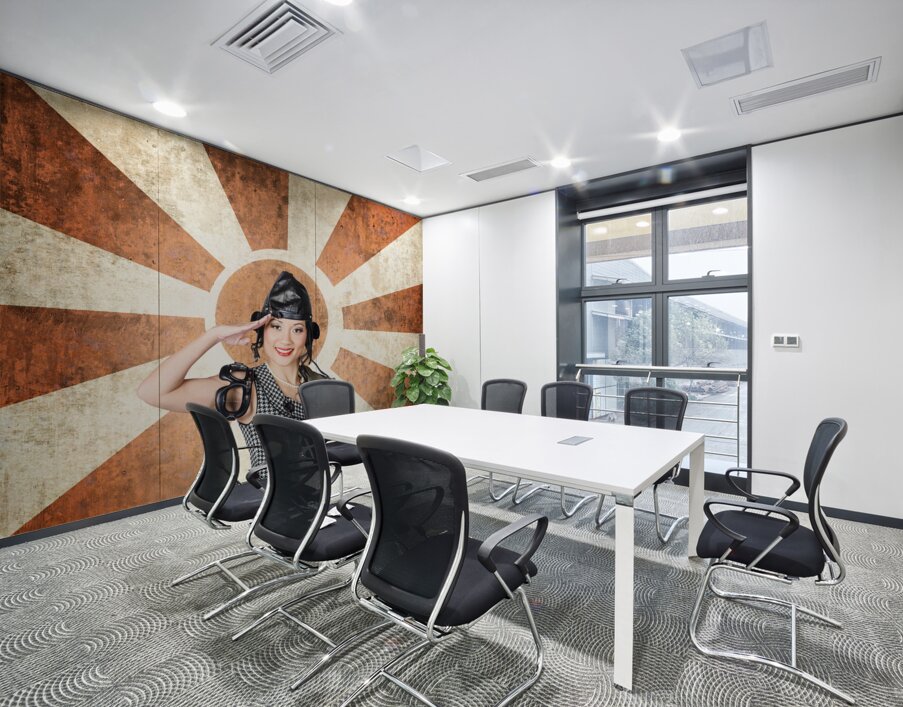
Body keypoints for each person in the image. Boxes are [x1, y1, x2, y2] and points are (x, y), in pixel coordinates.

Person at [137, 271, 327, 483]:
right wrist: (214, 335)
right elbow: (152, 392)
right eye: (276, 326)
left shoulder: (321, 385)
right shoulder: (245, 384)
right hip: (274, 501)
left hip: (322, 499)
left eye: (297, 330)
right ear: (262, 330)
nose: (285, 339)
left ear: (308, 336)